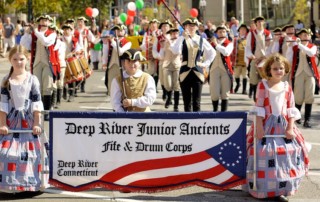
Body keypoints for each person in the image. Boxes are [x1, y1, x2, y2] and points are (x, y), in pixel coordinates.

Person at [245, 53, 309, 202]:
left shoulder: (287, 87)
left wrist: (290, 128)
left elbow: (290, 108)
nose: (278, 71)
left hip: (283, 125)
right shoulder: (263, 85)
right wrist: (259, 128)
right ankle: (263, 189)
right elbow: (259, 108)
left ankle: (281, 188)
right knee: (263, 153)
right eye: (275, 68)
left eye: (281, 68)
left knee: (286, 154)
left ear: (285, 70)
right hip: (267, 124)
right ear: (269, 70)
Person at [0, 45, 48, 194]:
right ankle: (10, 184)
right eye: (15, 59)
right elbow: (3, 105)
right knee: (5, 153)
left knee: (32, 153)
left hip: (28, 122)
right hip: (12, 122)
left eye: (21, 59)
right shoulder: (6, 80)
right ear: (10, 60)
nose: (18, 62)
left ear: (27, 59)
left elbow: (36, 103)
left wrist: (36, 123)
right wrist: (2, 124)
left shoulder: (32, 79)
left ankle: (29, 183)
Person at [170, 17, 215, 112]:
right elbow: (174, 51)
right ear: (185, 27)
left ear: (197, 28)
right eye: (189, 25)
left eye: (194, 26)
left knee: (196, 102)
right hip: (184, 73)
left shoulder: (201, 40)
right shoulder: (181, 38)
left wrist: (206, 64)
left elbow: (212, 53)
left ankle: (196, 124)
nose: (191, 27)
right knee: (186, 103)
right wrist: (182, 37)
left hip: (198, 73)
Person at [286, 28, 320, 128]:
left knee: (309, 97)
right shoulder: (294, 47)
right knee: (298, 96)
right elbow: (288, 58)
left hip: (310, 74)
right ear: (299, 36)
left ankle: (307, 120)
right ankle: (297, 117)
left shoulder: (312, 46)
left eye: (307, 35)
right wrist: (289, 46)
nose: (306, 36)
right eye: (303, 35)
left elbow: (310, 53)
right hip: (298, 74)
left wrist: (299, 45)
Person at [29, 14, 59, 121]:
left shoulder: (52, 34)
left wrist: (36, 32)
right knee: (37, 88)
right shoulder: (34, 34)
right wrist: (27, 32)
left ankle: (46, 111)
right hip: (37, 62)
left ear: (49, 23)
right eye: (42, 20)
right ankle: (37, 112)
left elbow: (45, 41)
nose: (44, 22)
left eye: (46, 21)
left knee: (47, 88)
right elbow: (25, 44)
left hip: (48, 63)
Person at [245, 16, 272, 102]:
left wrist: (266, 56)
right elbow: (248, 47)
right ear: (256, 23)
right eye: (258, 22)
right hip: (255, 59)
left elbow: (270, 47)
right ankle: (255, 96)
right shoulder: (251, 34)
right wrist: (252, 56)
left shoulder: (268, 33)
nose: (260, 23)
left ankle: (264, 96)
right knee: (254, 78)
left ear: (264, 22)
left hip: (265, 59)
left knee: (265, 78)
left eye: (261, 21)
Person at [209, 25, 234, 111]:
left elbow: (226, 52)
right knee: (214, 93)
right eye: (220, 31)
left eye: (223, 31)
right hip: (214, 69)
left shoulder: (229, 43)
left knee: (225, 93)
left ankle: (224, 114)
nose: (222, 33)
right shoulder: (211, 44)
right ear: (216, 33)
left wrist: (216, 44)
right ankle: (215, 112)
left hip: (225, 70)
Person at [103, 24, 131, 95]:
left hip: (122, 67)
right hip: (111, 66)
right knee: (111, 87)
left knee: (122, 87)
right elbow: (105, 52)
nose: (119, 32)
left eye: (121, 30)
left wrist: (113, 42)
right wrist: (104, 63)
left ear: (125, 32)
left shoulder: (128, 42)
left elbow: (120, 52)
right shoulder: (111, 41)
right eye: (117, 30)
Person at [159, 28, 181, 111]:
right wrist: (162, 47)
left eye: (176, 33)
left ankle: (176, 105)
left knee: (176, 85)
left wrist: (170, 42)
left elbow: (177, 52)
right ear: (170, 34)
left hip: (177, 65)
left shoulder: (180, 42)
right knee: (168, 84)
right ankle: (169, 98)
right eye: (172, 34)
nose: (174, 35)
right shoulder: (165, 42)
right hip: (167, 65)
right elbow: (162, 54)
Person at [152, 20, 172, 103]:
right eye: (163, 26)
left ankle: (169, 96)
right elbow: (154, 49)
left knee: (169, 80)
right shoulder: (158, 38)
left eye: (167, 26)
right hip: (161, 60)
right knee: (162, 79)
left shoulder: (172, 36)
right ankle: (164, 91)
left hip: (170, 61)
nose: (165, 28)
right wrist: (158, 56)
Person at [232, 24, 249, 94]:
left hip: (245, 61)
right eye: (241, 29)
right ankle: (238, 84)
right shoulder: (235, 40)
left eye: (244, 30)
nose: (242, 31)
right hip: (237, 60)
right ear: (239, 31)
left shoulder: (248, 39)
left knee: (245, 76)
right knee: (236, 75)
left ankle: (244, 90)